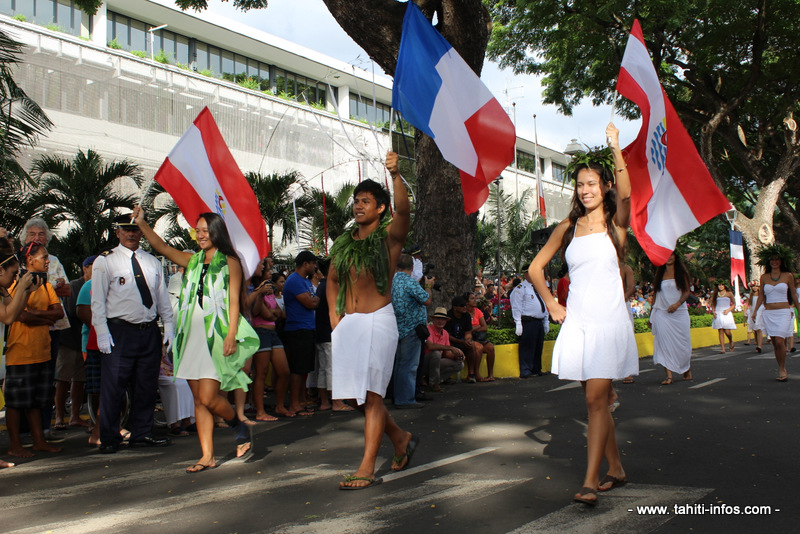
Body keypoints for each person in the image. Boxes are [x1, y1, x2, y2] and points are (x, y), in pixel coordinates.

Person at [527, 123, 638, 506]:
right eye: (579, 184)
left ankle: (590, 481)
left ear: (603, 185)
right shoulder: (568, 227)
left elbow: (626, 193)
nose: (585, 190)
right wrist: (552, 303)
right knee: (597, 403)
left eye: (591, 183)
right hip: (578, 324)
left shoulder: (616, 226)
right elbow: (535, 269)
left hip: (609, 323)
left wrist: (616, 147)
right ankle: (616, 467)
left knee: (595, 402)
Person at [132, 207, 259, 471]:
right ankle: (207, 455)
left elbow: (235, 301)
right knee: (199, 400)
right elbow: (162, 247)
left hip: (216, 334)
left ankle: (238, 427)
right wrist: (142, 224)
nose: (200, 235)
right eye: (198, 231)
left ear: (216, 232)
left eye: (205, 230)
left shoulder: (230, 262)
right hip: (190, 334)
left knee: (210, 397)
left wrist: (231, 335)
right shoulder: (192, 260)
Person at [328, 151, 418, 490]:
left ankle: (367, 466)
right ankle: (399, 437)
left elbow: (405, 211)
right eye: (356, 201)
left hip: (378, 321)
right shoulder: (343, 244)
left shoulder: (388, 238)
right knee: (355, 398)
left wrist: (395, 176)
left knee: (372, 396)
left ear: (381, 208)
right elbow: (333, 281)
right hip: (348, 325)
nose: (358, 206)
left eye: (366, 201)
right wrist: (334, 318)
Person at [91, 213, 175, 454]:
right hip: (119, 330)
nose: (131, 234)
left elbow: (161, 297)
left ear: (141, 232)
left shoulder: (152, 262)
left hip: (147, 330)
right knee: (114, 387)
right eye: (126, 230)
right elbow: (97, 302)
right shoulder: (105, 261)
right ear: (117, 232)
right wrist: (103, 333)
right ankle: (109, 437)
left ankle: (142, 432)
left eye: (135, 229)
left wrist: (168, 325)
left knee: (146, 385)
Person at [5, 241, 64, 458]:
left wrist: (36, 315)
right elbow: (20, 315)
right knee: (17, 402)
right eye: (44, 257)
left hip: (42, 349)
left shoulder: (46, 284)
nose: (48, 261)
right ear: (30, 259)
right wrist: (40, 314)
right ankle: (15, 444)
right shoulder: (14, 282)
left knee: (39, 400)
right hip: (20, 351)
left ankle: (39, 440)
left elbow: (58, 313)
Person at [0, 238, 43, 466]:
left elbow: (13, 312)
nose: (16, 278)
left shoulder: (2, 288)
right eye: (14, 273)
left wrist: (26, 291)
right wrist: (22, 288)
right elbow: (8, 316)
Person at [53, 255, 95, 430]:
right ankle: (59, 417)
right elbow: (74, 311)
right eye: (92, 265)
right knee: (62, 378)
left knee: (79, 380)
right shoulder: (77, 285)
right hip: (69, 339)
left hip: (84, 340)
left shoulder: (99, 285)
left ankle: (75, 416)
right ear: (84, 268)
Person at [247, 257, 292, 419]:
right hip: (261, 332)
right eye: (268, 271)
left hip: (273, 333)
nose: (270, 272)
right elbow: (260, 312)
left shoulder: (270, 291)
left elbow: (278, 314)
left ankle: (279, 405)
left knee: (283, 370)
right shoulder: (255, 290)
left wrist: (272, 313)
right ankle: (260, 411)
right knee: (261, 372)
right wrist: (260, 296)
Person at [751, 244, 800, 382]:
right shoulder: (764, 277)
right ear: (768, 261)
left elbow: (794, 295)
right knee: (775, 342)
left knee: (780, 340)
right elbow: (761, 296)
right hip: (769, 313)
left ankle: (783, 368)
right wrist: (755, 312)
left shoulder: (788, 275)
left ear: (781, 261)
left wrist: (799, 310)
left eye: (777, 259)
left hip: (784, 312)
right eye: (772, 259)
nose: (774, 262)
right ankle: (781, 366)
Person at [390, 253, 433, 408]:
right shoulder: (410, 282)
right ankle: (406, 399)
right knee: (409, 366)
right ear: (412, 267)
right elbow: (427, 300)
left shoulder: (393, 282)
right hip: (412, 329)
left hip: (398, 327)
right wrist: (428, 287)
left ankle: (399, 397)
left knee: (401, 365)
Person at [283, 250, 320, 416]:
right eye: (313, 263)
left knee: (304, 368)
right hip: (297, 329)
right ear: (305, 264)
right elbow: (310, 303)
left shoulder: (304, 282)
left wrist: (313, 300)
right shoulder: (294, 280)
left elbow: (314, 300)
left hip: (307, 328)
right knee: (297, 369)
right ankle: (294, 404)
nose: (315, 267)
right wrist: (313, 300)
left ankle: (300, 400)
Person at [649, 252, 692, 385]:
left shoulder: (681, 272)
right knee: (664, 343)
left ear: (675, 257)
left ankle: (686, 369)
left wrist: (677, 304)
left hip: (679, 313)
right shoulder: (659, 274)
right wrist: (651, 315)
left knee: (683, 344)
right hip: (662, 313)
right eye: (666, 256)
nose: (669, 258)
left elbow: (686, 292)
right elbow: (655, 295)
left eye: (671, 255)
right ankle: (669, 376)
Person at [511, 270, 549, 379]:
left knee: (538, 345)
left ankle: (536, 369)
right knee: (528, 346)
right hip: (528, 321)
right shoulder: (520, 288)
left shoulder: (538, 287)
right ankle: (526, 370)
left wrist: (546, 320)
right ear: (526, 274)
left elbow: (544, 303)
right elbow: (516, 306)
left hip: (538, 321)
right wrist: (518, 322)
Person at [422, 307, 465, 390]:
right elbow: (430, 346)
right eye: (438, 318)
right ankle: (434, 383)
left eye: (443, 319)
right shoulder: (428, 329)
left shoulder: (445, 333)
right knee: (436, 353)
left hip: (436, 362)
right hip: (425, 362)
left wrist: (457, 356)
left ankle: (432, 379)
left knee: (459, 364)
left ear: (446, 321)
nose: (440, 321)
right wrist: (451, 348)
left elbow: (446, 353)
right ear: (433, 319)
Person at [465, 292, 495, 381]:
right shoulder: (464, 312)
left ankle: (490, 375)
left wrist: (474, 328)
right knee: (479, 347)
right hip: (470, 338)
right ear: (467, 302)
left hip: (479, 337)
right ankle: (476, 374)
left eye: (475, 298)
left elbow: (484, 327)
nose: (475, 300)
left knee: (490, 347)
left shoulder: (477, 311)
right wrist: (478, 326)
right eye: (472, 299)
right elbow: (467, 329)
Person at [710, 282, 737, 353]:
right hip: (718, 312)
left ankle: (731, 341)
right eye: (719, 285)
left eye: (722, 285)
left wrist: (728, 310)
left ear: (725, 286)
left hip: (726, 312)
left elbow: (734, 304)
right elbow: (713, 304)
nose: (721, 286)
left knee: (727, 331)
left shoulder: (729, 293)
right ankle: (723, 348)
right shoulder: (716, 294)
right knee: (720, 331)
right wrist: (713, 312)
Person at [745, 281, 764, 353]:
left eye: (756, 286)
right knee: (755, 329)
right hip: (752, 311)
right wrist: (745, 312)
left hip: (760, 311)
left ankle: (759, 346)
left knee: (759, 328)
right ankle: (757, 342)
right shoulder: (750, 296)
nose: (755, 288)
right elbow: (747, 304)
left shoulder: (761, 295)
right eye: (753, 286)